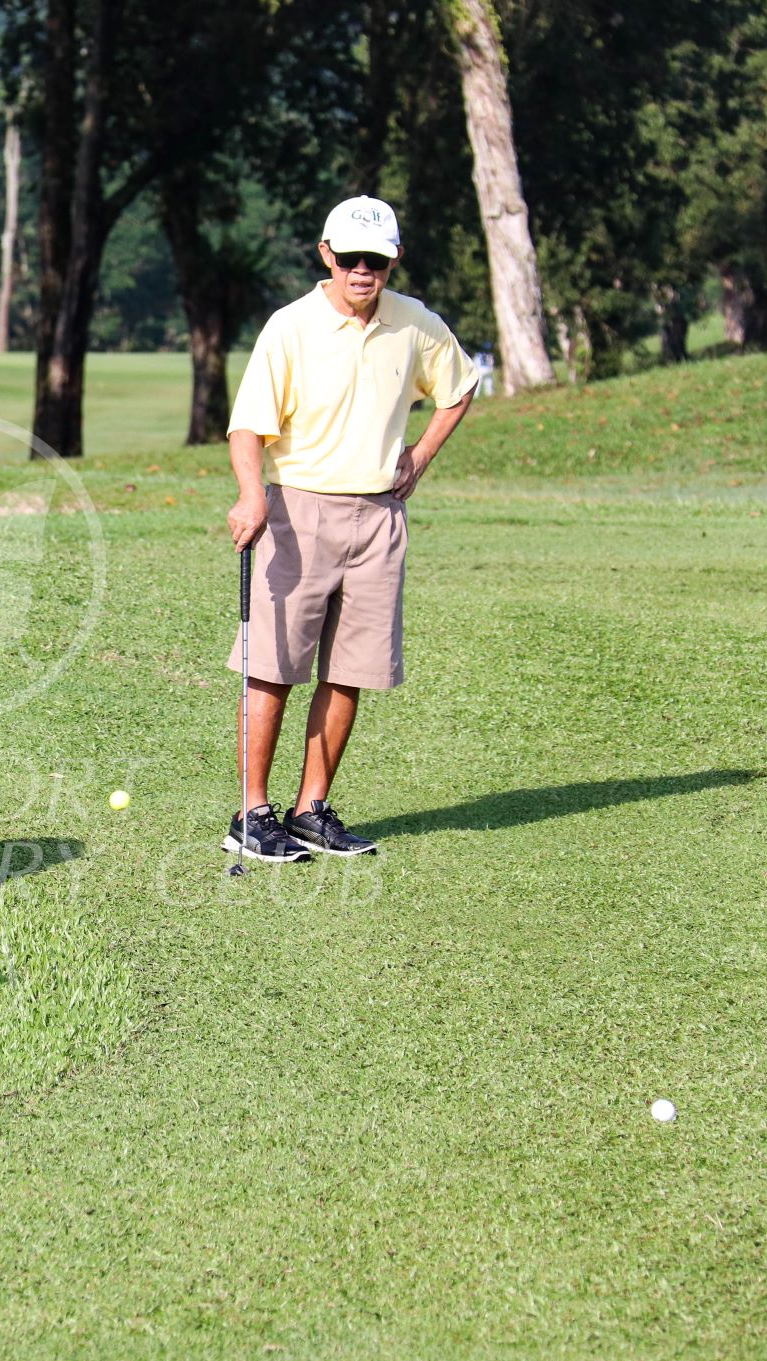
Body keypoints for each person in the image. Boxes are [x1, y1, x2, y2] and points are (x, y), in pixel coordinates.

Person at [222, 196, 478, 863]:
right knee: (274, 668)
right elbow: (248, 426)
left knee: (349, 671)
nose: (364, 272)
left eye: (378, 261)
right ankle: (251, 813)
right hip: (297, 511)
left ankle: (311, 809)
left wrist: (419, 457)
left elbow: (459, 387)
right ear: (327, 255)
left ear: (393, 261)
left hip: (379, 517)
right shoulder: (291, 327)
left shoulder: (415, 323)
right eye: (352, 258)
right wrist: (253, 495)